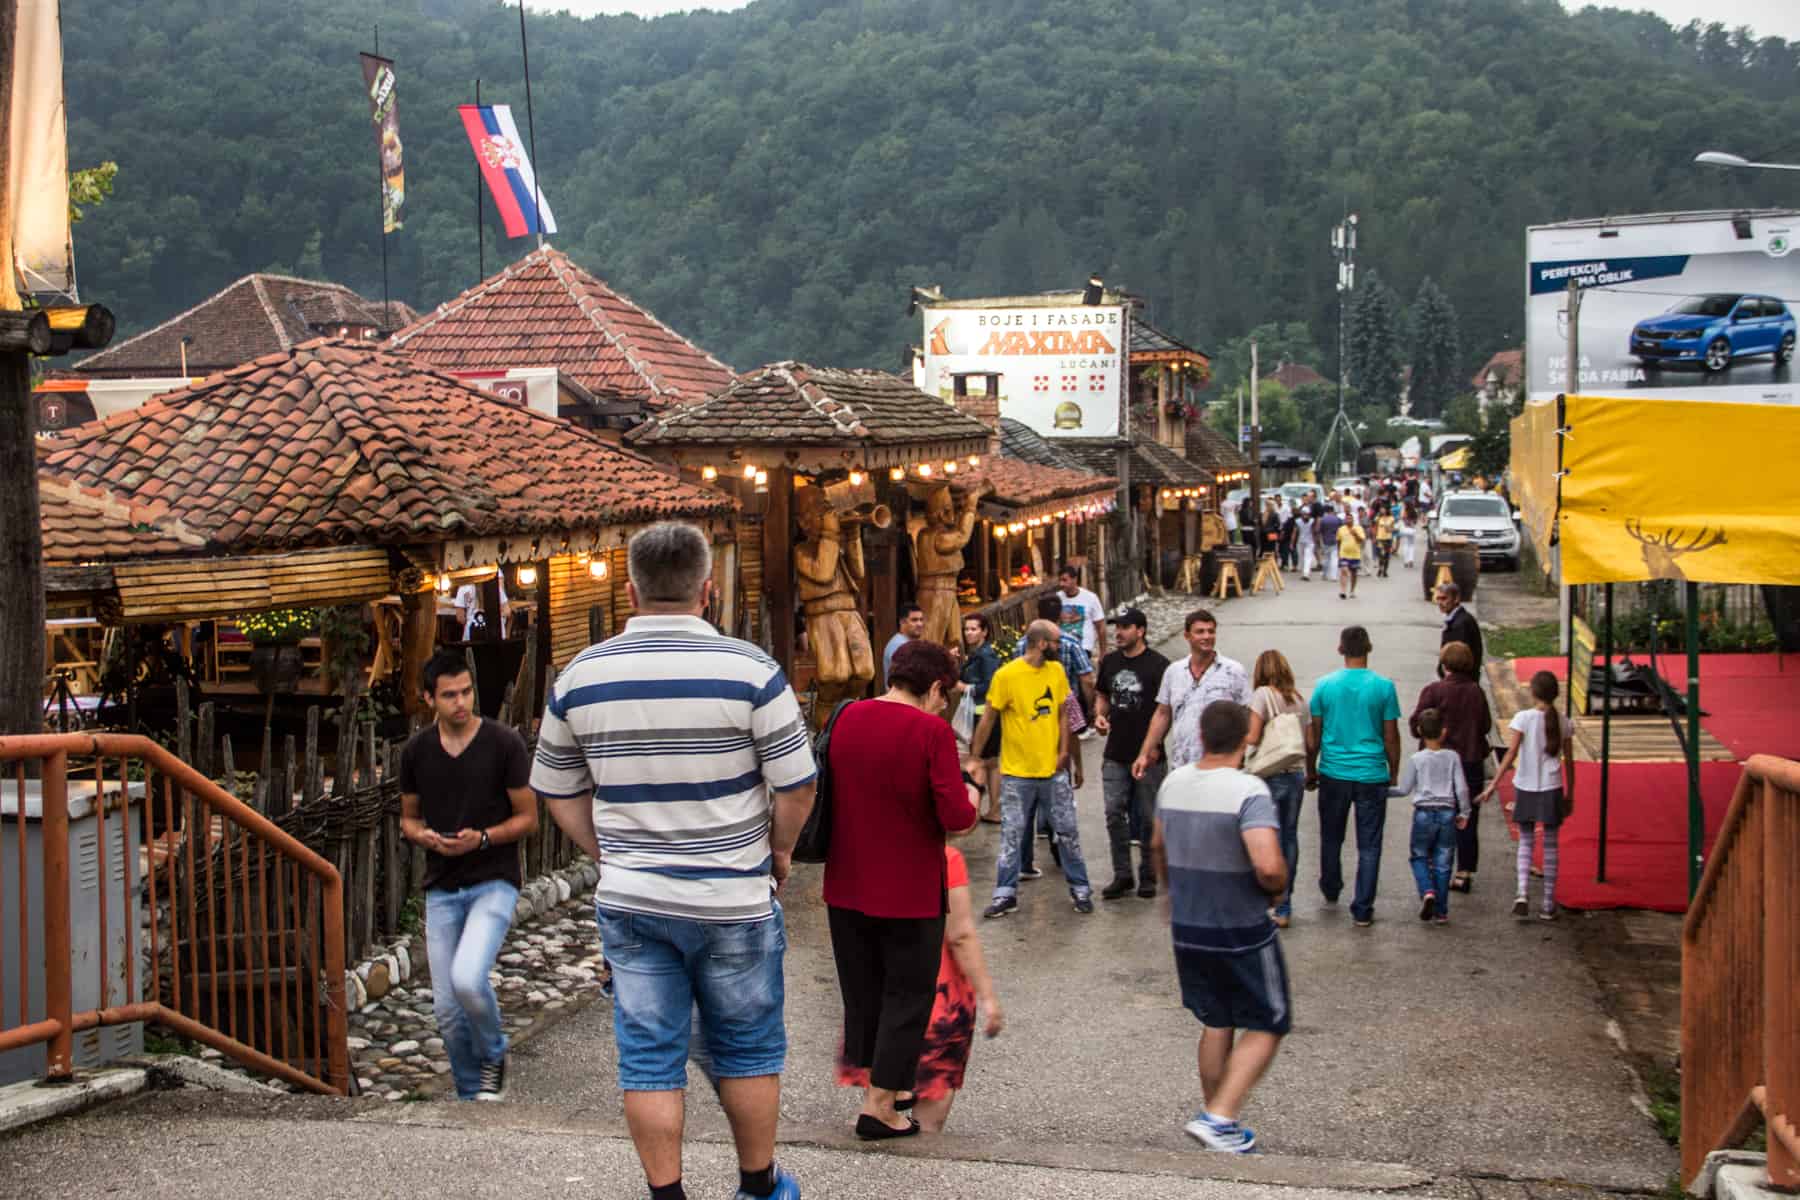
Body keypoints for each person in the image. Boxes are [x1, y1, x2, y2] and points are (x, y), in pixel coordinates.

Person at [532, 522, 817, 1200]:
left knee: (649, 1059)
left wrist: (609, 853)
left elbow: (556, 789)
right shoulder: (752, 672)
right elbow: (798, 783)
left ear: (630, 590)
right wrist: (778, 850)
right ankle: (757, 1186)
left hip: (634, 903)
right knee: (747, 1050)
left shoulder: (581, 675)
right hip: (733, 900)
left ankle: (669, 1195)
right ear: (708, 590)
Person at [823, 639, 979, 1140]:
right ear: (934, 686)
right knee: (907, 995)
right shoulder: (931, 732)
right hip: (909, 888)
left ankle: (881, 1086)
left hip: (846, 882)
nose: (944, 704)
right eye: (945, 694)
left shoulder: (847, 716)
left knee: (862, 991)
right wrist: (972, 792)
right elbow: (956, 817)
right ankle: (881, 1107)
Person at [398, 650, 538, 1101]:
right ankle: (467, 1097)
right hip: (442, 884)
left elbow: (528, 818)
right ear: (428, 699)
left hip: (494, 879)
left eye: (466, 692)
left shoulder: (504, 743)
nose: (460, 702)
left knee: (467, 977)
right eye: (449, 695)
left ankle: (494, 1053)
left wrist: (480, 839)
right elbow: (408, 819)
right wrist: (426, 839)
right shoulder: (417, 752)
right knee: (446, 1008)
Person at [1153, 700, 1290, 1155]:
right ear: (1246, 738)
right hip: (1239, 926)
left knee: (1217, 1020)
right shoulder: (1248, 791)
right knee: (1270, 1020)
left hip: (1188, 926)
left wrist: (1169, 893)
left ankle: (1217, 1118)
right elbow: (1268, 865)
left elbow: (1157, 844)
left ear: (1202, 736)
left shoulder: (1173, 783)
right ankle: (1220, 1117)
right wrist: (1276, 889)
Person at [835, 842, 1003, 1133]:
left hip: (883, 1005)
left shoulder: (866, 854)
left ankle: (880, 1123)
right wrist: (988, 997)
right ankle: (916, 1167)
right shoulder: (944, 858)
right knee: (928, 1119)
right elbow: (960, 934)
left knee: (879, 1096)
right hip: (936, 1005)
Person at [966, 619, 1094, 917]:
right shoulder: (1007, 675)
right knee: (1012, 835)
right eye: (1056, 642)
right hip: (1017, 773)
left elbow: (1064, 714)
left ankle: (1081, 889)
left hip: (1052, 771)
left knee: (1068, 831)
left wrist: (1066, 752)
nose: (1060, 647)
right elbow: (988, 718)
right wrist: (975, 757)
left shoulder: (1057, 671)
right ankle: (1005, 894)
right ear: (1041, 643)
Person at [1304, 625, 1401, 928]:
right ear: (1369, 649)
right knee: (1369, 844)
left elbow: (1314, 735)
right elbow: (1391, 735)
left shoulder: (1324, 686)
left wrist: (1311, 769)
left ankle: (1331, 886)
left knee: (1332, 836)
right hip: (1372, 773)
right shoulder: (1384, 687)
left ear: (1340, 649)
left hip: (1333, 771)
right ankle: (1362, 907)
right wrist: (1393, 771)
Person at [1482, 670, 1574, 921]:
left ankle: (1522, 892)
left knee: (1525, 840)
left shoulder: (1523, 718)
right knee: (1552, 844)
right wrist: (1570, 793)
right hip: (1552, 787)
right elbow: (1570, 762)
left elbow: (1510, 754)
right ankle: (1547, 903)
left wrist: (1493, 785)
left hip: (1526, 785)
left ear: (1532, 692)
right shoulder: (1564, 722)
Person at [1093, 607, 1172, 900]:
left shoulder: (1159, 665)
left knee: (1150, 816)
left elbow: (1166, 710)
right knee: (1114, 813)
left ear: (1141, 631)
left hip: (1150, 755)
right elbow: (1102, 694)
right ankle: (1122, 874)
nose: (1119, 632)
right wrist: (1099, 715)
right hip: (1115, 752)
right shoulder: (1111, 662)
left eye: (1125, 627)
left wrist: (1153, 748)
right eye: (1117, 627)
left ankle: (1149, 876)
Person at [1411, 642, 1493, 893]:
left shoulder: (1434, 691)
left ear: (1443, 664)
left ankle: (1438, 866)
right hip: (1470, 761)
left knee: (1437, 815)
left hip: (1438, 763)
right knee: (1467, 818)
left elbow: (1416, 723)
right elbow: (1486, 725)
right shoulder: (1475, 692)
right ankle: (1463, 871)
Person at [1132, 609, 1251, 779]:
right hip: (1182, 766)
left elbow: (1246, 715)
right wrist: (1144, 753)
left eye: (1211, 631)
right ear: (1187, 636)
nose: (1207, 636)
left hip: (1223, 767)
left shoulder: (1233, 671)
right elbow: (1162, 714)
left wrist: (1241, 754)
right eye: (1200, 631)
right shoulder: (1174, 671)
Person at [1244, 651, 1309, 928]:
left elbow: (1254, 736)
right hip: (1295, 774)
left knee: (1266, 839)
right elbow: (1309, 741)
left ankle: (1266, 901)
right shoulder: (1298, 700)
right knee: (1290, 838)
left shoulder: (1262, 695)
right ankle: (1285, 905)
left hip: (1269, 775)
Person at [1392, 708, 1471, 924]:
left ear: (1419, 731)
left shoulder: (1417, 759)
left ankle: (1427, 891)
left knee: (1419, 856)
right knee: (1444, 861)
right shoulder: (1453, 757)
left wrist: (1381, 792)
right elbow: (1462, 788)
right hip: (1447, 812)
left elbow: (1404, 789)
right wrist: (1464, 812)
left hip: (1423, 813)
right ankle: (1442, 911)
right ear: (1444, 732)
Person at [956, 613, 1002, 822]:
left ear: (984, 632)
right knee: (989, 762)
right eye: (966, 629)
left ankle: (988, 809)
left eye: (973, 629)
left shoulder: (986, 656)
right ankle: (993, 808)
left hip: (985, 715)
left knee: (983, 762)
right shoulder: (976, 653)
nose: (968, 633)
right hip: (980, 713)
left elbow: (990, 685)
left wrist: (965, 687)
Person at [1056, 564, 1106, 659]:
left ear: (1074, 579)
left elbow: (1101, 626)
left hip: (1083, 647)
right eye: (1060, 580)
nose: (1061, 584)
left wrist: (1103, 652)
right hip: (1062, 648)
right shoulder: (1057, 598)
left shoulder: (1090, 598)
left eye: (1064, 580)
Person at [1436, 581, 1484, 675]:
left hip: (1460, 681)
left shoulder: (1461, 624)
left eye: (1444, 598)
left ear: (1456, 599)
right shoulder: (1457, 619)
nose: (1440, 603)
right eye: (1438, 599)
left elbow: (1458, 660)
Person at [453, 575, 509, 641]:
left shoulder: (463, 587)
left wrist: (471, 620)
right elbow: (507, 611)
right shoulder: (495, 587)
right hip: (495, 633)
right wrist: (495, 617)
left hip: (471, 634)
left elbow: (460, 617)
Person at [884, 603, 926, 683]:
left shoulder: (907, 643)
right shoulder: (898, 645)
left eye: (921, 619)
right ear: (902, 622)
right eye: (914, 620)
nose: (920, 624)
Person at [1336, 508, 1366, 599]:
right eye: (1347, 518)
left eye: (1350, 518)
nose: (1348, 520)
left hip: (1355, 554)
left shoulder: (1358, 528)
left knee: (1354, 573)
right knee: (1344, 570)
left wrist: (1355, 534)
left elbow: (1361, 540)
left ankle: (1352, 590)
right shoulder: (1341, 529)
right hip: (1344, 554)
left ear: (1353, 520)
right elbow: (1338, 541)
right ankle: (1343, 591)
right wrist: (1338, 552)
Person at [1317, 503, 1343, 583]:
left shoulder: (1323, 520)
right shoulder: (1337, 519)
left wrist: (1320, 542)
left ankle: (1325, 574)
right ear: (1332, 511)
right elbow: (1341, 529)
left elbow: (1320, 531)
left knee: (1326, 558)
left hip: (1325, 540)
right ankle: (1334, 576)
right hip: (1335, 540)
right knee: (1334, 558)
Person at [1294, 506, 1316, 580]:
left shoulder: (1312, 521)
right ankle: (1303, 572)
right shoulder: (1298, 521)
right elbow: (1295, 532)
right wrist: (1292, 542)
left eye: (1307, 514)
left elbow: (1314, 532)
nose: (1306, 515)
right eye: (1304, 514)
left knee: (1308, 557)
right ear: (1301, 514)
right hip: (1300, 541)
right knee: (1301, 557)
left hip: (1309, 542)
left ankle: (1306, 574)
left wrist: (1315, 541)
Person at [1373, 507, 1395, 578]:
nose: (1382, 510)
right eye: (1381, 509)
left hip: (1388, 538)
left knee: (1387, 555)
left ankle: (1385, 570)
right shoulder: (1378, 518)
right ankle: (1380, 568)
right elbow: (1375, 528)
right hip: (1380, 538)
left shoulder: (1391, 518)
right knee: (1381, 555)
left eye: (1383, 509)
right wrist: (1374, 537)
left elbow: (1393, 528)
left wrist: (1389, 529)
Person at [1398, 502, 1420, 568]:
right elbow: (1416, 521)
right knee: (1411, 545)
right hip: (1412, 530)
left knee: (1406, 545)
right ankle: (1411, 560)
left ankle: (1406, 561)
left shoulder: (1405, 512)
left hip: (1405, 529)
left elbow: (1402, 518)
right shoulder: (1414, 512)